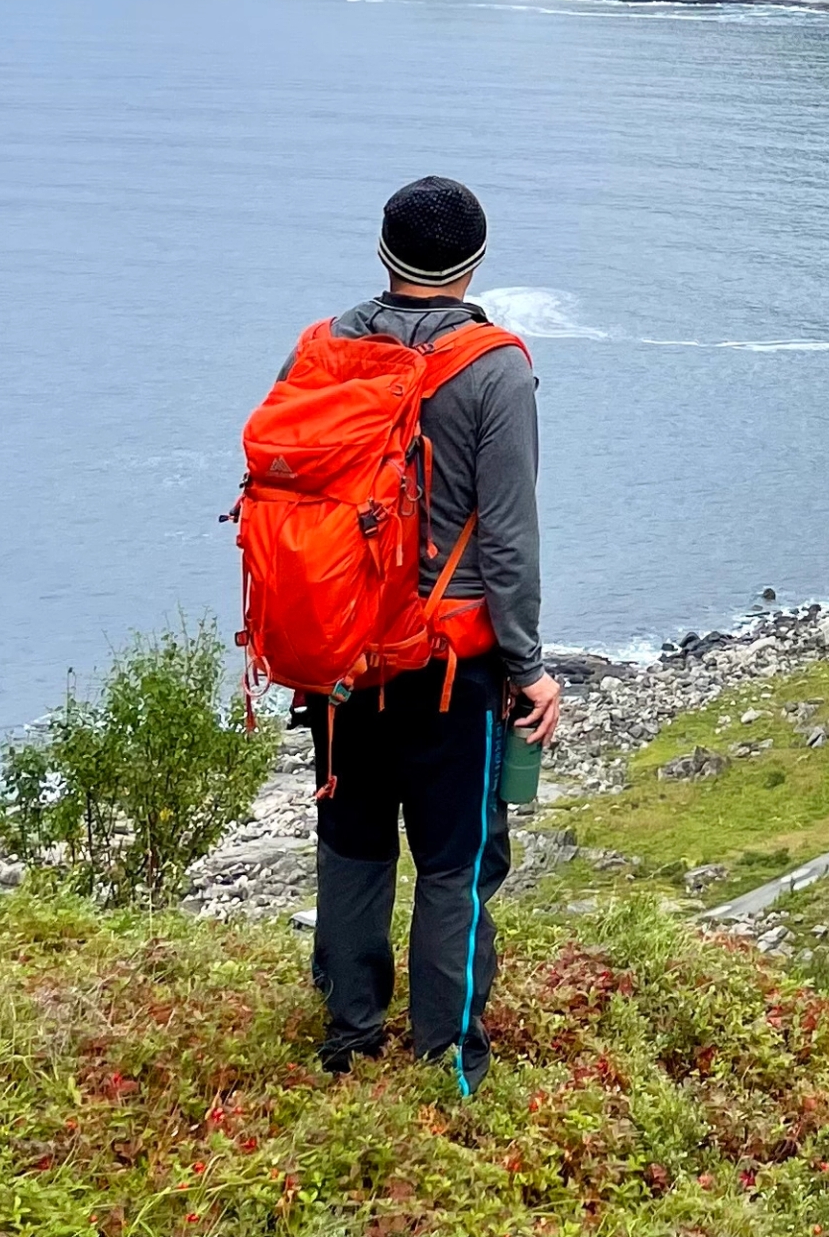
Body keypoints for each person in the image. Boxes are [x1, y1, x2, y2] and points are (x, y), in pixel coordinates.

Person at [300, 175, 562, 1083]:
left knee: (353, 848)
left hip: (337, 658)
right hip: (450, 670)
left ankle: (348, 1036)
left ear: (383, 254)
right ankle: (447, 1058)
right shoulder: (496, 368)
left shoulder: (325, 347)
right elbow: (512, 538)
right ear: (475, 263)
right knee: (453, 865)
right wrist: (528, 667)